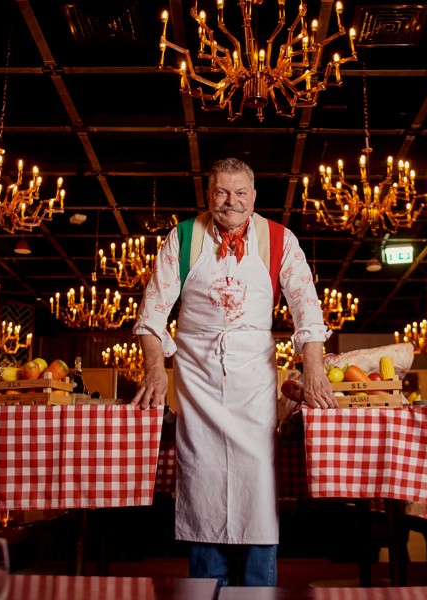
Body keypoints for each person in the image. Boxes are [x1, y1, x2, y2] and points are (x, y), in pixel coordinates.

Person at [131, 157, 339, 587]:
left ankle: (258, 591)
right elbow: (152, 315)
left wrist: (314, 368)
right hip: (197, 377)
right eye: (222, 192)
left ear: (254, 196)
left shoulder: (279, 238)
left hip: (254, 380)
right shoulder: (183, 237)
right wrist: (155, 368)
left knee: (257, 485)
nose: (232, 201)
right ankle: (206, 590)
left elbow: (307, 308)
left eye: (240, 192)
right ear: (209, 195)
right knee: (201, 479)